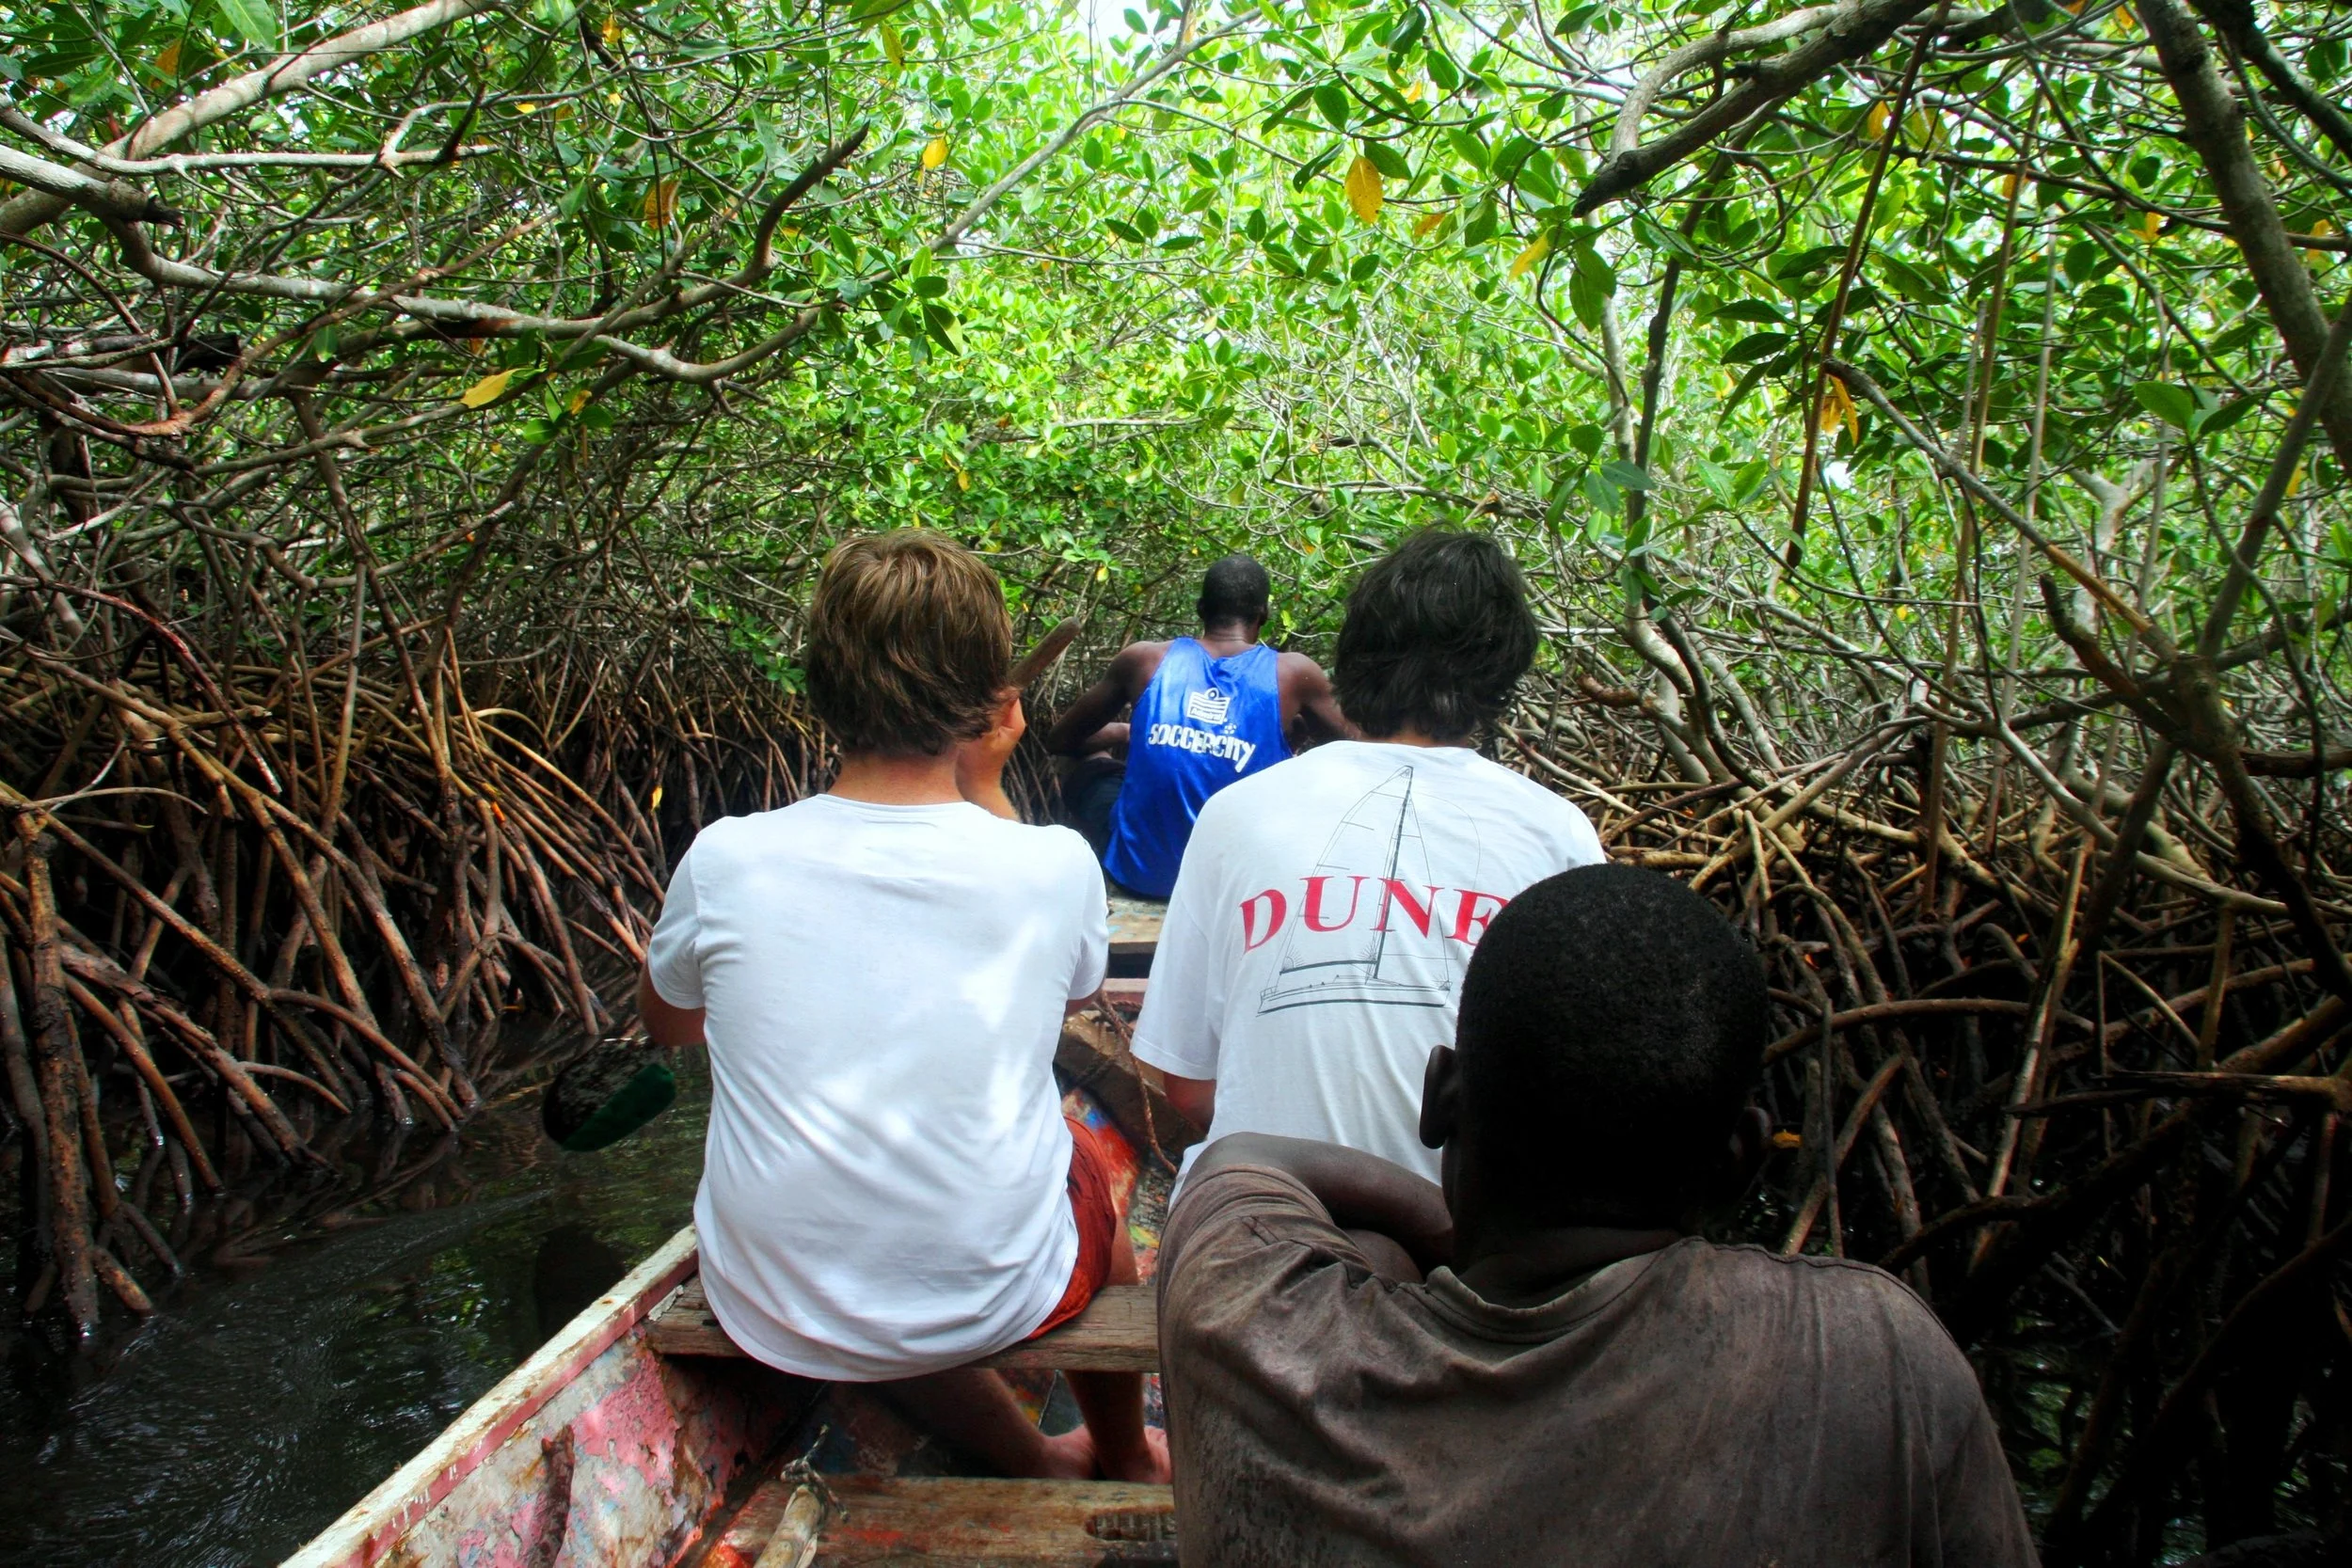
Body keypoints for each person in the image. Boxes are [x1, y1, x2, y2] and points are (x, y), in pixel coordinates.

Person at [1156, 864, 2040, 1566]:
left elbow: (1245, 1161)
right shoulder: (1875, 1354)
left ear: (1441, 1100)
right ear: (1739, 1163)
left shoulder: (1245, 1309)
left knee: (1372, 1249)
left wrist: (1431, 1240)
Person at [636, 531, 1164, 1484]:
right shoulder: (1049, 864)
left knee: (863, 1216)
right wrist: (988, 786)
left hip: (769, 1299)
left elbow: (671, 1026)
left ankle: (1036, 1456)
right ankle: (1123, 1451)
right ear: (986, 702)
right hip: (995, 1294)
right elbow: (1080, 989)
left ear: (822, 686)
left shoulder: (721, 856)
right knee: (1083, 1154)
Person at [1131, 528, 1605, 1182]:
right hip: (1463, 1241)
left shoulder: (1237, 812)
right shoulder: (1562, 835)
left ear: (1353, 656)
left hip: (1257, 1223)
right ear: (1504, 673)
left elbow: (1186, 1086)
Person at [1045, 552, 1349, 898]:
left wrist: (1125, 732)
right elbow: (1362, 752)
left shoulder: (1145, 659)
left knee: (1091, 759)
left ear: (1201, 608)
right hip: (1235, 888)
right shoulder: (1294, 674)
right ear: (1263, 615)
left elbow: (1060, 741)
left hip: (1142, 878)